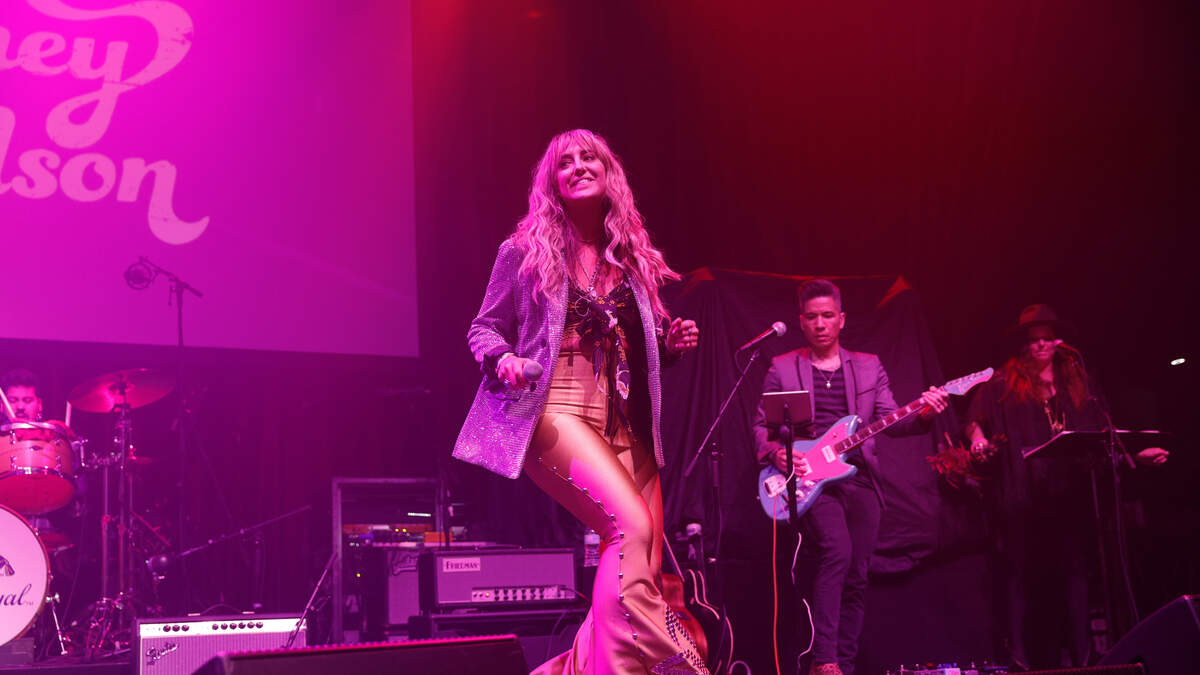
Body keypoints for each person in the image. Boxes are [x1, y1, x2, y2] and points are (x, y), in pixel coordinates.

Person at [453, 129, 704, 675]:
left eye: (589, 158)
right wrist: (504, 358)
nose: (578, 167)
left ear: (609, 173)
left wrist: (668, 345)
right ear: (552, 183)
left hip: (628, 423)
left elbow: (633, 347)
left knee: (638, 565)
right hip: (555, 409)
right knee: (629, 530)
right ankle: (671, 660)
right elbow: (483, 328)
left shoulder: (629, 259)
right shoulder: (523, 252)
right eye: (564, 163)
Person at [752, 279, 950, 675]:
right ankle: (824, 661)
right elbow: (762, 426)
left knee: (857, 574)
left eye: (828, 316)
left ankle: (845, 662)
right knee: (836, 552)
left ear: (841, 319)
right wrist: (777, 454)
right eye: (812, 317)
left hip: (858, 477)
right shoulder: (783, 367)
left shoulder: (868, 365)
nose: (820, 324)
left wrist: (926, 413)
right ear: (801, 322)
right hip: (810, 477)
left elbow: (892, 421)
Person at [965, 304, 1168, 669]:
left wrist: (1137, 456)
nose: (1041, 345)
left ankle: (1084, 659)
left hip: (1067, 494)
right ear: (1024, 345)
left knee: (1075, 575)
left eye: (1047, 338)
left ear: (1058, 341)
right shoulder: (1002, 384)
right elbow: (975, 421)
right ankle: (1020, 661)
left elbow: (1103, 434)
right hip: (1023, 495)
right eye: (1034, 340)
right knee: (1020, 577)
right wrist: (978, 440)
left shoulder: (1077, 382)